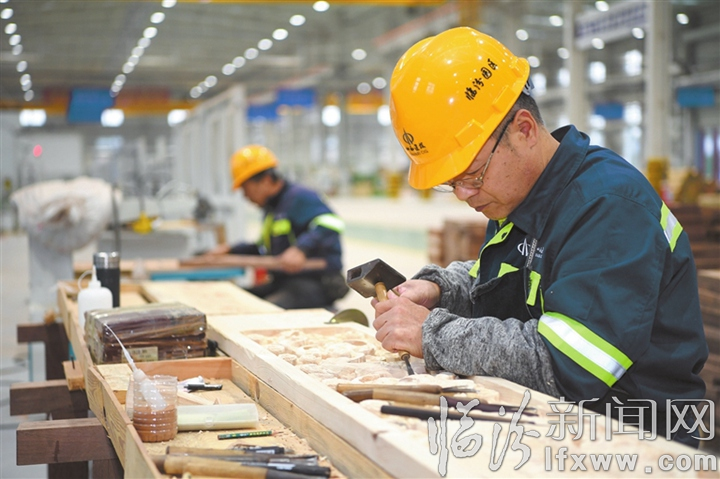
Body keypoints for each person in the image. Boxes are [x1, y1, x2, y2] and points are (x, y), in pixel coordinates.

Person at [373, 27, 707, 446]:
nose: (463, 194)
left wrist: (432, 334)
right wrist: (441, 292)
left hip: (633, 441)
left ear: (525, 130)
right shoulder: (519, 197)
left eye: (471, 175)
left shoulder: (609, 207)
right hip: (558, 425)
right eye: (451, 182)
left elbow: (568, 365)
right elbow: (505, 284)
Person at [205, 144, 348, 309]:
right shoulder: (273, 209)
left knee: (261, 311)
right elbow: (263, 249)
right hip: (285, 282)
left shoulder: (300, 197)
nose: (245, 196)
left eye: (246, 188)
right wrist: (230, 250)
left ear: (266, 180)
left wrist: (301, 249)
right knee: (236, 299)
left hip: (313, 284)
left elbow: (331, 222)